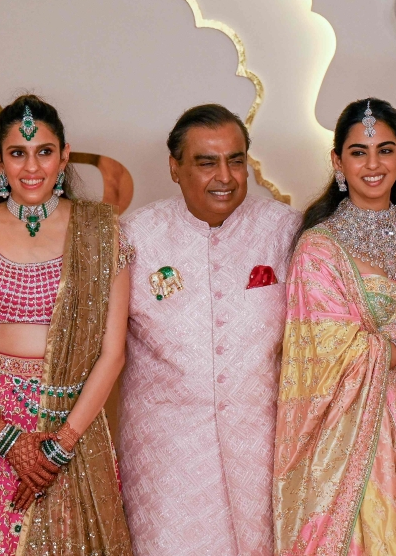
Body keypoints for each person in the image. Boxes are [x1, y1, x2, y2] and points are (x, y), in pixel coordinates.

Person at [0, 94, 133, 556]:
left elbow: (112, 353)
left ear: (64, 156)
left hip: (70, 423)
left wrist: (60, 447)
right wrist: (7, 437)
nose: (31, 166)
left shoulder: (102, 232)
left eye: (44, 152)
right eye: (18, 153)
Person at [274, 98, 396, 555]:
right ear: (337, 161)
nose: (372, 164)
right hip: (352, 420)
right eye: (358, 152)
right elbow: (331, 351)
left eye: (385, 150)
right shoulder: (319, 247)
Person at [118, 104, 300, 555]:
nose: (225, 175)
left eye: (236, 160)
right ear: (175, 168)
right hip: (167, 455)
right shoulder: (136, 236)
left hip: (262, 446)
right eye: (206, 162)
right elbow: (94, 345)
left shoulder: (283, 230)